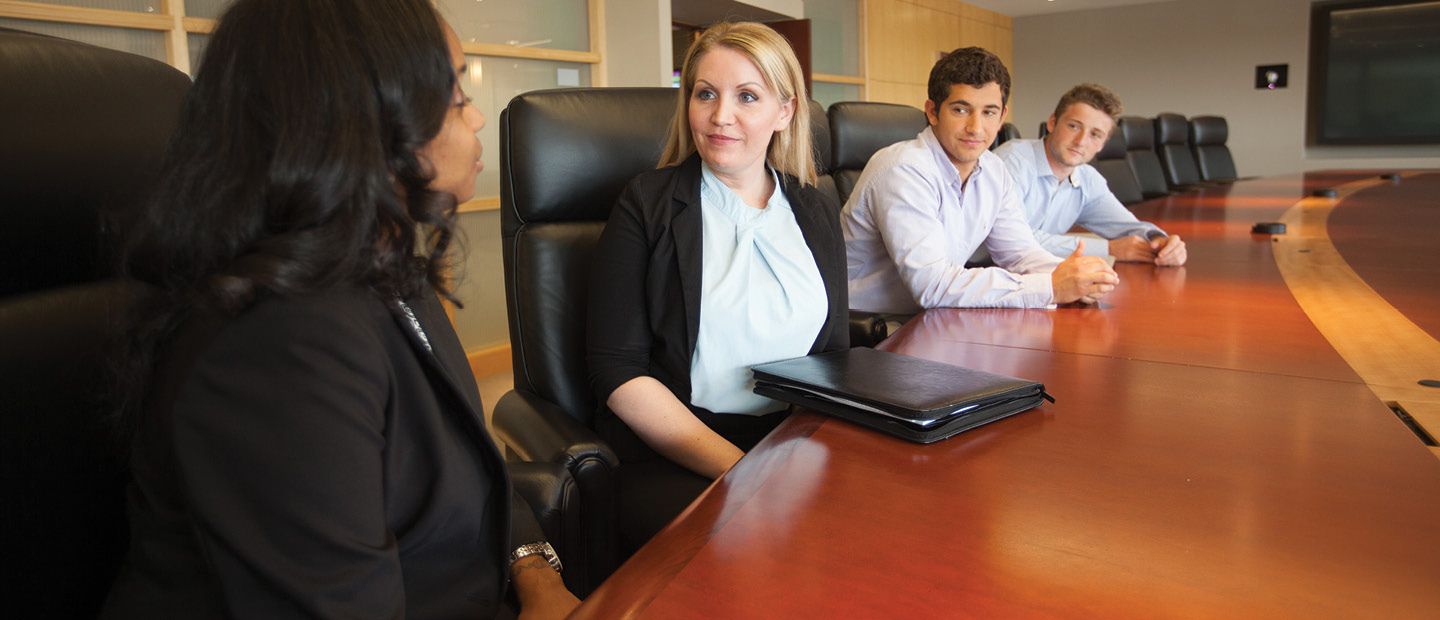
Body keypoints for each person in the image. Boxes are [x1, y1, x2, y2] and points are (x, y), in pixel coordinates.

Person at [99, 1, 578, 618]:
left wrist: (536, 574)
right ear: (367, 120)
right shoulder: (278, 344)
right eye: (456, 94)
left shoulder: (383, 268)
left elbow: (470, 462)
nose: (478, 114)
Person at [586, 21, 848, 553]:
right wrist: (743, 470)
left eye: (747, 96)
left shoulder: (815, 206)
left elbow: (836, 351)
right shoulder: (647, 203)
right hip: (680, 452)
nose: (720, 116)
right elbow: (617, 370)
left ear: (785, 112)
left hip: (795, 443)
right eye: (705, 93)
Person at [841, 47, 1118, 313]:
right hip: (871, 327)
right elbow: (932, 286)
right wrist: (1050, 286)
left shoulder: (994, 169)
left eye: (988, 112)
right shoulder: (903, 170)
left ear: (1001, 118)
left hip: (936, 316)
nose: (976, 128)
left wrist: (1074, 277)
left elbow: (1019, 253)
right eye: (961, 110)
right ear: (932, 111)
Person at [995, 83, 1187, 266]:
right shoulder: (1013, 161)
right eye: (1074, 126)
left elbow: (1126, 227)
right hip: (984, 277)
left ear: (1102, 144)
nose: (1081, 141)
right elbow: (1014, 239)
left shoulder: (1087, 179)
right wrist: (1108, 249)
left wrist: (1160, 242)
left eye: (1095, 135)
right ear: (1052, 123)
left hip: (1034, 278)